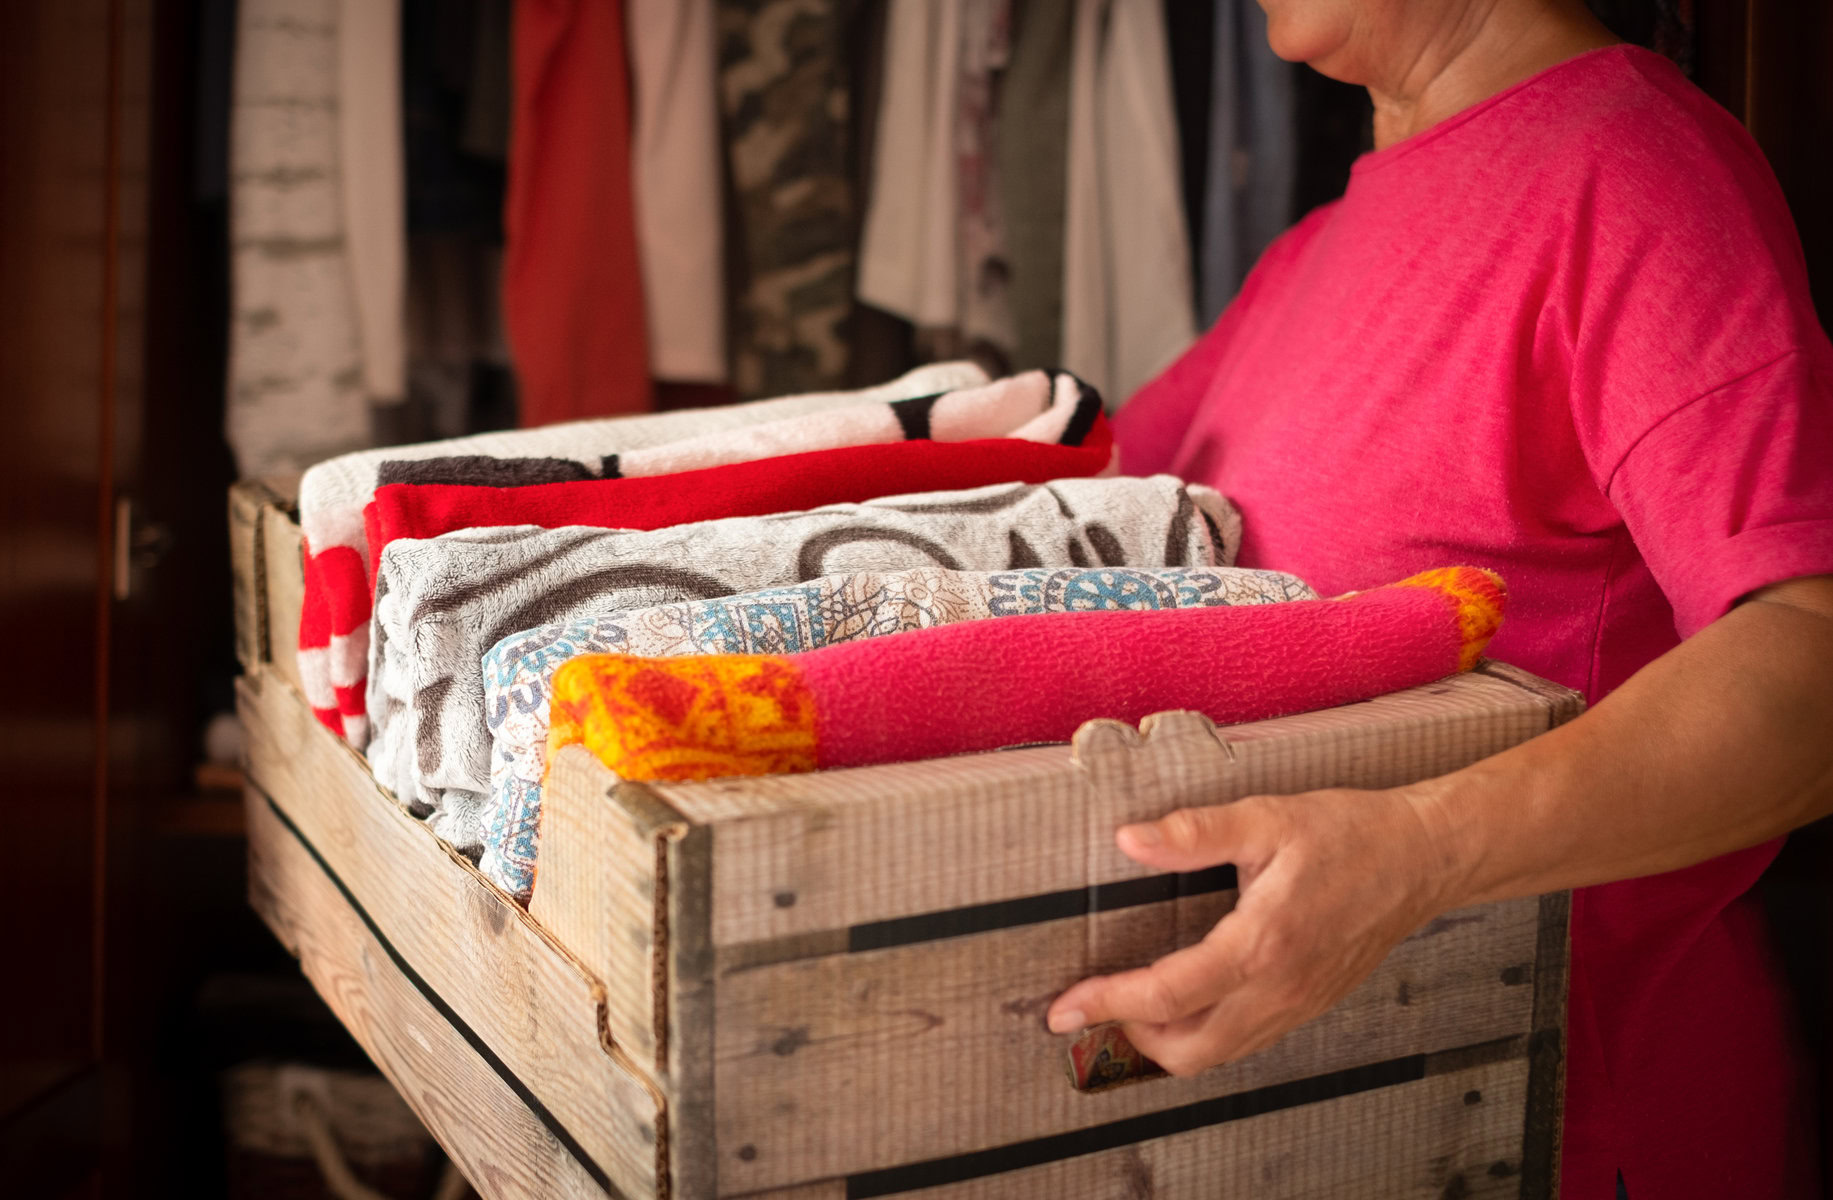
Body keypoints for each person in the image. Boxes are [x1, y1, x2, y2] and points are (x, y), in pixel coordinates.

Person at [1044, 1, 1833, 1197]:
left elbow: (1810, 662)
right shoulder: (1318, 248)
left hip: (1573, 1125)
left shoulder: (1630, 168)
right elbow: (1071, 517)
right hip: (1344, 1130)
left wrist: (1420, 848)